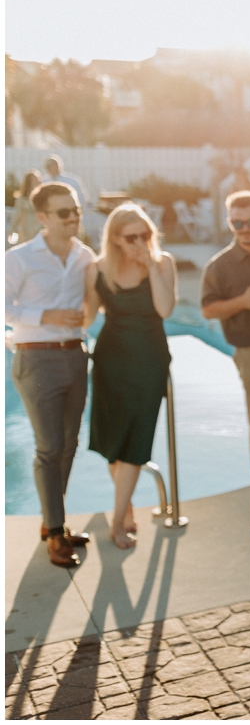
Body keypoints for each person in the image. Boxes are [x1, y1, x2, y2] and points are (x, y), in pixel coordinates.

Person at [6, 182, 96, 567]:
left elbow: (94, 299)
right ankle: (56, 533)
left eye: (75, 209)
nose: (73, 217)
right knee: (48, 447)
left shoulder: (85, 256)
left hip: (75, 356)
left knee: (69, 443)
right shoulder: (19, 258)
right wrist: (46, 316)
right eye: (64, 212)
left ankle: (51, 521)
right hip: (35, 358)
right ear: (42, 218)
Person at [85, 203, 177, 549]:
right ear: (116, 239)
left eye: (146, 234)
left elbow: (165, 309)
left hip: (149, 360)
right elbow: (86, 317)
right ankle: (126, 508)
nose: (140, 241)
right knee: (113, 442)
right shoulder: (97, 269)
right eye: (132, 236)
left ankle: (118, 518)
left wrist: (150, 266)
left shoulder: (163, 262)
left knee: (136, 441)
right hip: (111, 360)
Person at [199, 190, 250, 472]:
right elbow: (208, 309)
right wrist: (242, 302)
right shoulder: (219, 266)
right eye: (238, 224)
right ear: (229, 223)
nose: (245, 229)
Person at [8, 169, 44, 246]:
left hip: (41, 229)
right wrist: (12, 229)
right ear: (28, 182)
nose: (37, 181)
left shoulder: (44, 197)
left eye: (38, 179)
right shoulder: (22, 198)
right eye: (34, 179)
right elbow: (16, 215)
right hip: (27, 230)